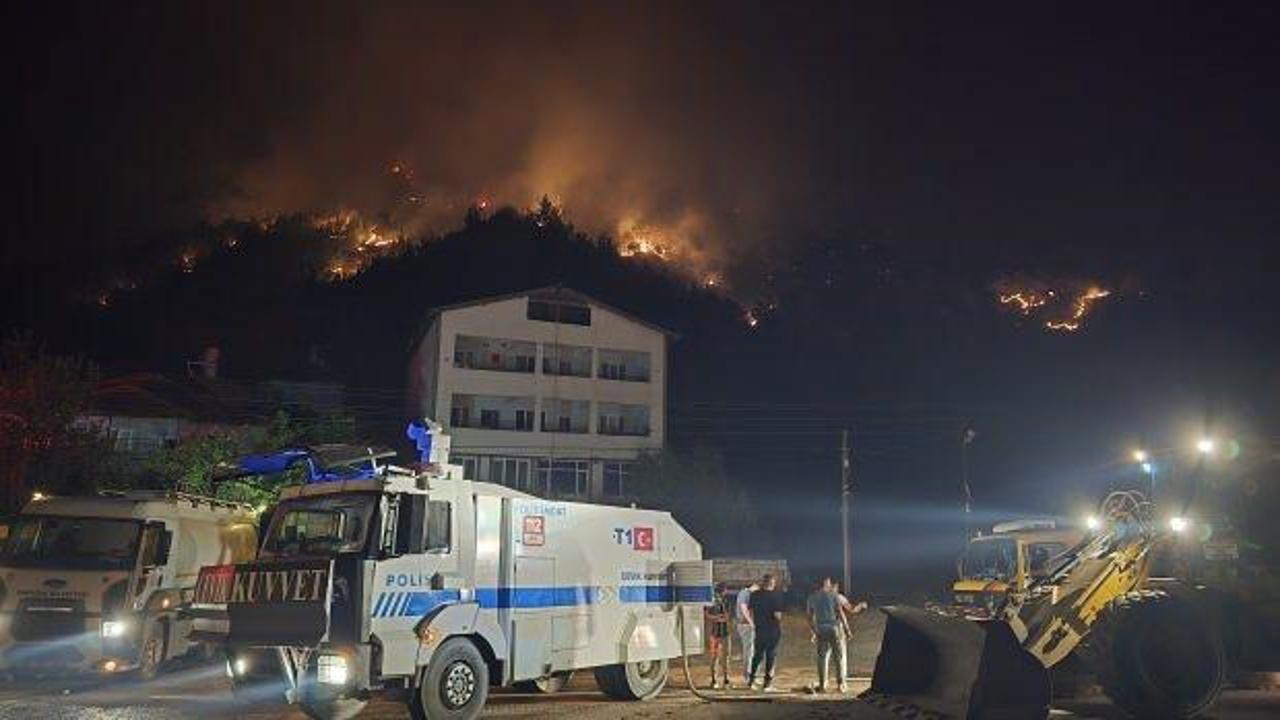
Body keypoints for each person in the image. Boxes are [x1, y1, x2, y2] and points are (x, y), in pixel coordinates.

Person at [807, 576, 852, 693]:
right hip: (835, 627)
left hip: (821, 628)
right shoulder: (834, 596)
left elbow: (809, 617)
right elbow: (840, 613)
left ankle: (822, 685)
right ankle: (841, 684)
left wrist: (814, 631)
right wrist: (847, 630)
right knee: (839, 657)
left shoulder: (812, 598)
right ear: (827, 583)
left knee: (822, 657)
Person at [746, 573, 785, 691]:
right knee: (770, 656)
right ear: (772, 583)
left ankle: (751, 680)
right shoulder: (776, 596)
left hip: (759, 630)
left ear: (763, 583)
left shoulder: (755, 595)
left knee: (757, 656)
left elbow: (750, 611)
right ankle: (767, 683)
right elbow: (777, 615)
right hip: (772, 630)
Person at [704, 582, 732, 688]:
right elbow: (725, 616)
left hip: (716, 632)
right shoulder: (719, 601)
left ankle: (716, 680)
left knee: (716, 657)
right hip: (721, 632)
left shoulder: (713, 601)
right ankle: (724, 680)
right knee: (723, 657)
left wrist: (716, 618)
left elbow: (709, 615)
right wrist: (718, 618)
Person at [734, 580, 758, 684]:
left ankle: (750, 676)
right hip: (746, 625)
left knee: (750, 651)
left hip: (745, 624)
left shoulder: (743, 593)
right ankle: (748, 677)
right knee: (749, 652)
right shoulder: (745, 593)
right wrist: (751, 622)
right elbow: (744, 608)